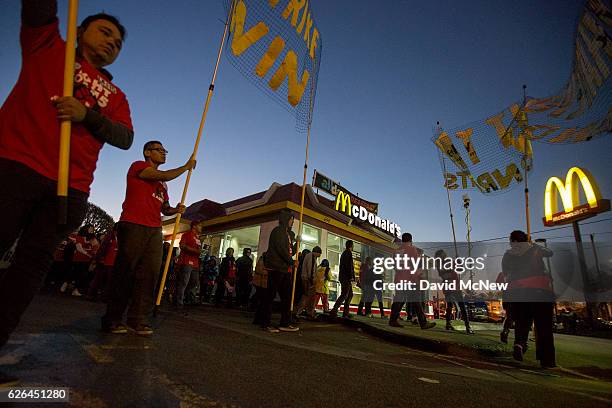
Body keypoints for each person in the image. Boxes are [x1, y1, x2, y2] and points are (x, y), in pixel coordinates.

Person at [0, 1, 134, 360]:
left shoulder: (117, 96)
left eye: (118, 43)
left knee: (29, 270)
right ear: (79, 30)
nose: (111, 43)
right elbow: (39, 9)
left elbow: (124, 137)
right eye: (105, 32)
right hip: (17, 164)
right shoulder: (48, 47)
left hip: (70, 188)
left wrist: (87, 115)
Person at [101, 141, 195, 335]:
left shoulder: (163, 184)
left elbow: (164, 208)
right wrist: (185, 168)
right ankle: (112, 319)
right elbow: (161, 174)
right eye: (159, 150)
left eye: (164, 151)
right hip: (134, 224)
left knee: (149, 274)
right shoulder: (139, 166)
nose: (164, 154)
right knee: (125, 272)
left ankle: (138, 319)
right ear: (147, 152)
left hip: (154, 229)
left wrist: (175, 210)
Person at [502, 230, 556, 368]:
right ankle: (547, 360)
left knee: (522, 321)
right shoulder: (535, 249)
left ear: (513, 241)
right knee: (544, 325)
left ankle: (519, 344)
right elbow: (550, 252)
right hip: (541, 290)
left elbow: (505, 272)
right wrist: (533, 245)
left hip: (520, 292)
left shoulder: (508, 254)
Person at [261, 209, 298, 333]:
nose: (292, 221)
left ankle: (285, 323)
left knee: (286, 297)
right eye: (291, 219)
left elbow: (289, 250)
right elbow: (281, 250)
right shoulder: (278, 232)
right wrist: (292, 262)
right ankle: (265, 323)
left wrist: (296, 243)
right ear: (286, 219)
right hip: (276, 268)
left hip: (285, 269)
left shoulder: (287, 234)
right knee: (270, 296)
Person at [389, 233, 435, 330]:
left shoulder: (396, 251)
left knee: (399, 300)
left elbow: (394, 266)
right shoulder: (412, 249)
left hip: (399, 279)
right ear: (411, 240)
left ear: (402, 240)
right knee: (416, 301)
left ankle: (392, 320)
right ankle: (423, 323)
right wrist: (420, 276)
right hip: (410, 280)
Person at [435, 249, 473, 334]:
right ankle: (465, 326)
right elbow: (447, 275)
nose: (445, 255)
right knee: (455, 306)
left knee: (455, 306)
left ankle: (455, 324)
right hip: (451, 287)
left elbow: (460, 268)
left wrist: (459, 262)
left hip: (453, 287)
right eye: (443, 254)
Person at [61, 224, 99, 296]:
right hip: (77, 258)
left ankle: (75, 289)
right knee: (74, 272)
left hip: (85, 260)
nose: (91, 230)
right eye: (90, 228)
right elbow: (79, 247)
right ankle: (66, 285)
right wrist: (89, 254)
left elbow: (96, 248)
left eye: (92, 229)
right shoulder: (79, 237)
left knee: (80, 274)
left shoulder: (93, 238)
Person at [87, 224, 118, 301]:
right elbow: (103, 248)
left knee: (108, 281)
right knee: (98, 279)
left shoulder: (117, 237)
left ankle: (103, 296)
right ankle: (91, 295)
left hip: (112, 263)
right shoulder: (110, 237)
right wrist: (100, 258)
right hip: (104, 261)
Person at [175, 221, 202, 309]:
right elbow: (182, 245)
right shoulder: (187, 235)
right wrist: (195, 251)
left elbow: (199, 250)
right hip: (186, 262)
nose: (201, 227)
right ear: (194, 226)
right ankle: (179, 302)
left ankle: (188, 298)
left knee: (194, 282)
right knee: (184, 282)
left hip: (195, 263)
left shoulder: (198, 237)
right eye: (200, 226)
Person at [330, 240, 356, 318]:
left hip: (344, 277)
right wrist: (351, 276)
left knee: (349, 294)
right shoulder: (348, 253)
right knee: (345, 294)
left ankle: (345, 313)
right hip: (346, 277)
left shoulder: (345, 253)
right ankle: (334, 310)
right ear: (351, 245)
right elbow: (349, 266)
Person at [297, 246, 322, 318]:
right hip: (308, 279)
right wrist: (312, 280)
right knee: (308, 296)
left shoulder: (310, 256)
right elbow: (310, 269)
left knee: (308, 296)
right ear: (317, 252)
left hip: (306, 278)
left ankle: (303, 311)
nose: (319, 256)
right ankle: (305, 312)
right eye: (319, 254)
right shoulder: (311, 257)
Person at [252, 252, 269, 325]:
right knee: (262, 301)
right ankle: (258, 318)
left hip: (261, 283)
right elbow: (260, 270)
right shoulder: (262, 261)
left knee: (261, 300)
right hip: (261, 284)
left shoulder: (262, 260)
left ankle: (258, 318)